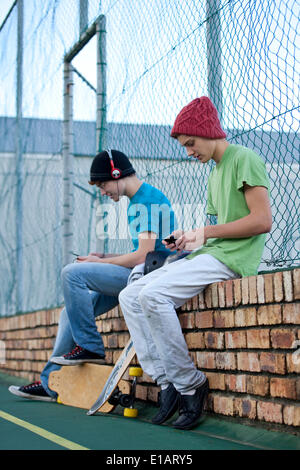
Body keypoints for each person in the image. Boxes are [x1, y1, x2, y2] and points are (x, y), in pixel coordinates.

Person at [118, 96, 272, 430]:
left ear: (208, 132)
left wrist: (204, 233)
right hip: (210, 252)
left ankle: (189, 383)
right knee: (129, 295)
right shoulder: (215, 173)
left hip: (232, 259)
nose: (189, 151)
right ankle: (165, 382)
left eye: (191, 143)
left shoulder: (243, 159)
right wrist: (189, 238)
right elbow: (214, 231)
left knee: (152, 296)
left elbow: (261, 221)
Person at [9, 149, 176, 401]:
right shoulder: (138, 200)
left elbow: (143, 256)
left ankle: (89, 346)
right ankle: (49, 383)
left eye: (103, 184)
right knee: (69, 311)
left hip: (149, 276)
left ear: (117, 173)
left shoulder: (147, 200)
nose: (103, 192)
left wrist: (102, 261)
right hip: (139, 272)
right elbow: (140, 252)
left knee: (72, 273)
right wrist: (103, 258)